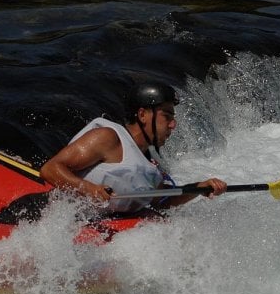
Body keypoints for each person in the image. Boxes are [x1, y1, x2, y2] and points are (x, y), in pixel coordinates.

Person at [39, 81, 226, 214]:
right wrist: (88, 189)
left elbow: (161, 201)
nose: (173, 125)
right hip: (45, 216)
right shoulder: (108, 138)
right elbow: (50, 169)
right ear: (143, 114)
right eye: (167, 116)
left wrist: (199, 188)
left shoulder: (149, 165)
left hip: (96, 226)